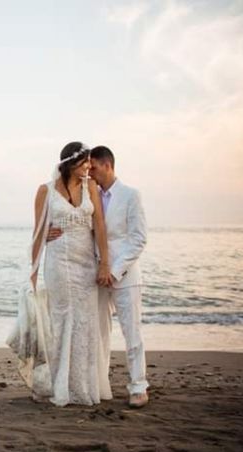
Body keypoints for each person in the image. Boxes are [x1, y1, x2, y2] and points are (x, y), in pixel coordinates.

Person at [48, 145, 149, 408]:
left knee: (132, 332)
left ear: (107, 165)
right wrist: (52, 233)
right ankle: (100, 383)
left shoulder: (130, 195)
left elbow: (139, 239)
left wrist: (113, 270)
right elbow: (81, 226)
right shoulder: (88, 193)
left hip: (124, 275)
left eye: (93, 167)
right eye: (86, 167)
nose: (88, 171)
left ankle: (138, 387)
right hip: (94, 274)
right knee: (100, 333)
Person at [26, 141, 113, 406]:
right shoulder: (46, 191)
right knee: (62, 319)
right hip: (59, 263)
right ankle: (58, 384)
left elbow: (99, 226)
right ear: (70, 163)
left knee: (85, 321)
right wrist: (33, 272)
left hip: (86, 263)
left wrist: (105, 263)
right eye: (85, 162)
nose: (89, 166)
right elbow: (39, 231)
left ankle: (82, 386)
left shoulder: (91, 187)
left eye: (90, 162)